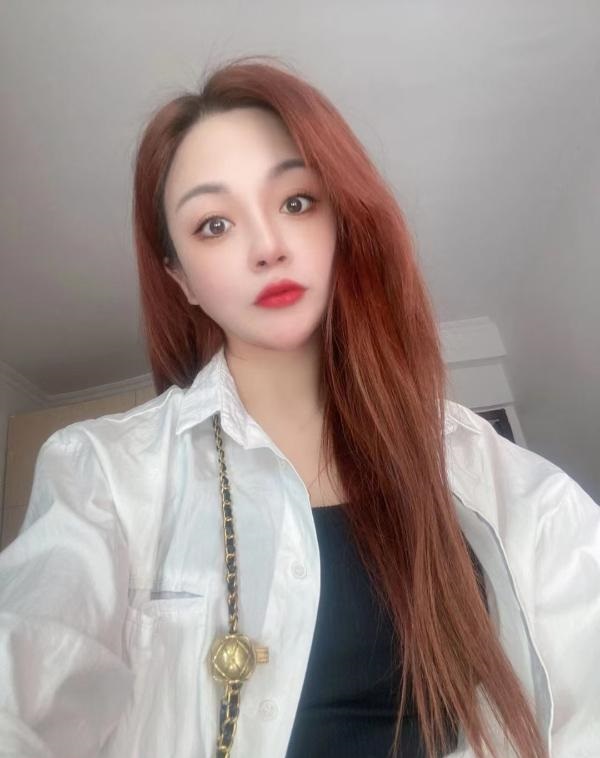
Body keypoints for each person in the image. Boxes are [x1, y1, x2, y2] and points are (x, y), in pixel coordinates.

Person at [0, 55, 599, 758]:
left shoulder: (497, 477)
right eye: (214, 225)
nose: (268, 247)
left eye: (296, 202)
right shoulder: (106, 475)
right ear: (180, 278)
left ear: (342, 219)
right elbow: (28, 671)